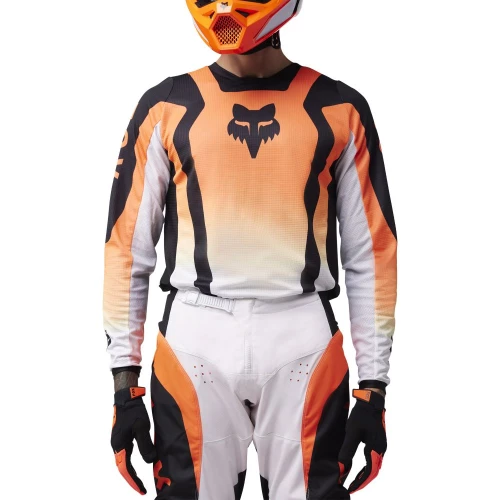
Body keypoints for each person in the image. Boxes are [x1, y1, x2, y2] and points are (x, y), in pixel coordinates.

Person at [104, 1, 397, 499]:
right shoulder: (164, 107)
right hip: (201, 339)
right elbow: (126, 249)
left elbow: (371, 252)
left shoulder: (341, 108)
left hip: (297, 341)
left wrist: (375, 386)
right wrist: (123, 384)